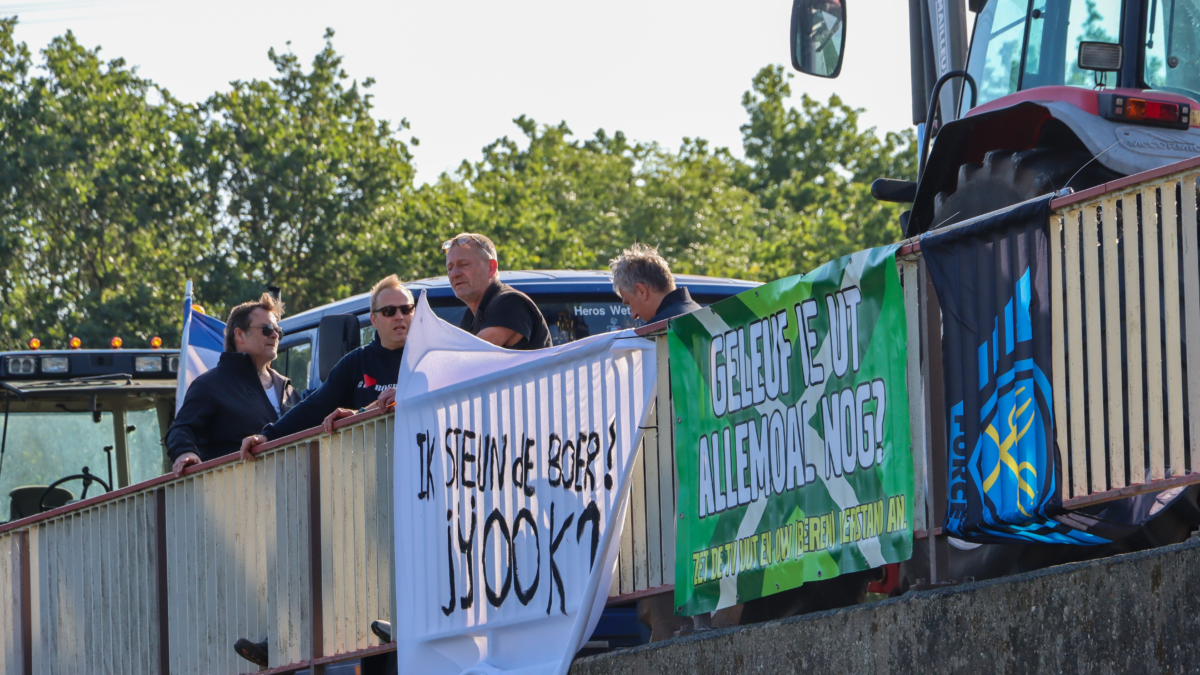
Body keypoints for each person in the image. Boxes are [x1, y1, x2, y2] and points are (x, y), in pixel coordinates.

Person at [238, 276, 414, 461]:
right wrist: (267, 436)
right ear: (374, 320)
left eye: (406, 309)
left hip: (424, 471)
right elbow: (315, 407)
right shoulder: (356, 362)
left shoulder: (432, 358)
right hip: (374, 471)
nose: (399, 316)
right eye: (389, 311)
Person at [166, 293, 299, 478]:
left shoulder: (286, 388)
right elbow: (180, 429)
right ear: (240, 334)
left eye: (278, 330)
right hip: (235, 496)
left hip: (291, 493)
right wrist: (186, 453)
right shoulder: (211, 384)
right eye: (267, 329)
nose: (275, 335)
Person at [443, 232, 552, 350]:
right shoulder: (471, 316)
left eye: (464, 264)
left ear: (491, 267)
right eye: (450, 268)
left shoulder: (510, 303)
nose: (454, 274)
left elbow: (471, 356)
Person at [609, 242, 701, 324]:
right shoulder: (704, 315)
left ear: (641, 291)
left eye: (629, 303)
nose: (633, 315)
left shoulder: (659, 331)